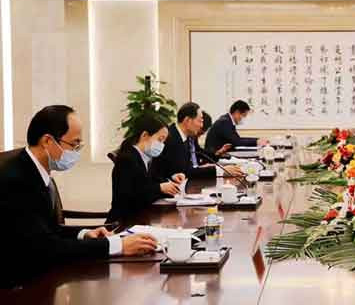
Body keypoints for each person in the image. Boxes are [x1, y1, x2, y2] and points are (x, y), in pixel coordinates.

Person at [0, 105, 157, 288]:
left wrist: (84, 234)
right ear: (47, 141)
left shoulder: (33, 169)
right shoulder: (16, 180)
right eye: (74, 144)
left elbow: (46, 229)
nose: (76, 152)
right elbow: (45, 247)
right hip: (19, 285)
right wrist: (117, 246)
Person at [107, 114, 184, 223]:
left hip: (142, 216)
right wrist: (160, 188)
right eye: (160, 139)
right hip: (124, 221)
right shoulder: (127, 159)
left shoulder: (147, 157)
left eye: (163, 141)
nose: (161, 145)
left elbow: (153, 181)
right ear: (145, 135)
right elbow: (131, 196)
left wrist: (169, 183)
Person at [152, 102, 241, 181]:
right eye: (200, 121)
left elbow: (191, 165)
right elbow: (185, 171)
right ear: (187, 121)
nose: (201, 125)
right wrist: (220, 170)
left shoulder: (185, 136)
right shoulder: (171, 138)